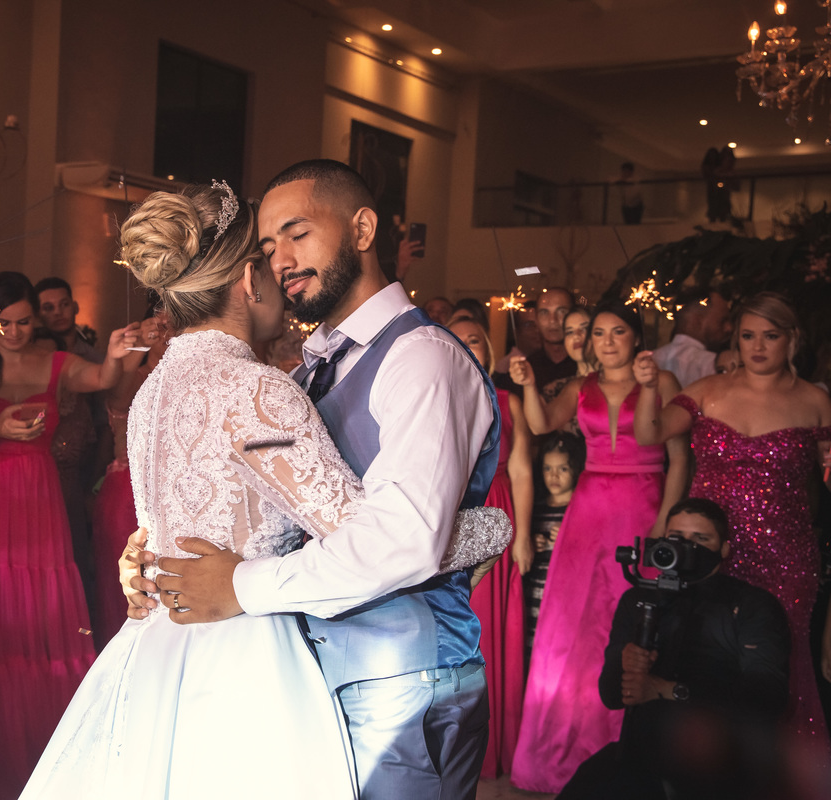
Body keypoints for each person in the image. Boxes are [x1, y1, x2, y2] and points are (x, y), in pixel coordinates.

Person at [124, 161, 505, 798]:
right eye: (267, 247)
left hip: (401, 675)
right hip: (313, 674)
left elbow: (403, 539)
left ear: (362, 228)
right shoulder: (296, 379)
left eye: (297, 235)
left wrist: (238, 584)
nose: (280, 261)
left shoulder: (422, 358)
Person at [0, 272, 139, 799]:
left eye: (25, 321)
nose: (16, 331)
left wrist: (116, 353)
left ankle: (43, 755)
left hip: (37, 502)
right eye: (4, 323)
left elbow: (100, 380)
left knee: (37, 619)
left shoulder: (55, 364)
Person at [632, 291, 831, 750]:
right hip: (706, 553)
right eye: (747, 336)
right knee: (704, 655)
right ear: (735, 340)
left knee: (780, 667)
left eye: (771, 336)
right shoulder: (707, 391)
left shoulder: (816, 401)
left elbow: (821, 488)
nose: (758, 346)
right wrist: (647, 388)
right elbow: (650, 433)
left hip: (786, 554)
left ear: (792, 340)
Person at [509, 303, 688, 793]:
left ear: (637, 337)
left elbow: (679, 460)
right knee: (574, 625)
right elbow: (542, 425)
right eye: (601, 334)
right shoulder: (580, 387)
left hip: (641, 505)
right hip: (587, 513)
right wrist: (525, 382)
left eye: (618, 332)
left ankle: (623, 750)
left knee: (629, 623)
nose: (608, 342)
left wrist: (665, 521)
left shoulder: (663, 381)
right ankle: (562, 754)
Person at [558, 498, 790, 800]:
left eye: (700, 539)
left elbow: (766, 701)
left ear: (724, 549)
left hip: (716, 764)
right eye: (676, 538)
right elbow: (612, 695)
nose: (686, 548)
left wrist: (668, 690)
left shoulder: (751, 605)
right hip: (642, 757)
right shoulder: (638, 599)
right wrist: (624, 661)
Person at [450, 317, 533, 779]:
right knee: (467, 628)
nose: (467, 347)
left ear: (489, 350)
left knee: (497, 632)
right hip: (455, 522)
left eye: (475, 340)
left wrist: (520, 536)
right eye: (457, 340)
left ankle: (497, 750)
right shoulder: (434, 396)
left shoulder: (509, 402)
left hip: (499, 512)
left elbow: (520, 470)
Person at [90, 306, 168, 647]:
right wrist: (137, 353)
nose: (168, 331)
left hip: (172, 491)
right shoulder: (134, 376)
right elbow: (119, 401)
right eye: (161, 324)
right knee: (131, 588)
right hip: (127, 493)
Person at [34, 275, 106, 615]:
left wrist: (96, 482)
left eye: (64, 305)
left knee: (78, 552)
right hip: (41, 467)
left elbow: (104, 421)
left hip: (84, 466)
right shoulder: (34, 357)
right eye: (48, 308)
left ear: (75, 307)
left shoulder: (92, 358)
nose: (59, 313)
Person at [525, 431, 584, 657]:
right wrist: (533, 541)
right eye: (548, 468)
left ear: (576, 469)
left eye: (563, 469)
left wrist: (570, 540)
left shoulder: (579, 508)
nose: (554, 476)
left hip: (564, 593)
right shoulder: (536, 506)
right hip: (536, 589)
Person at [651, 288, 732, 388]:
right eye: (722, 321)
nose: (729, 328)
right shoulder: (712, 364)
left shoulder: (651, 360)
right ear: (696, 321)